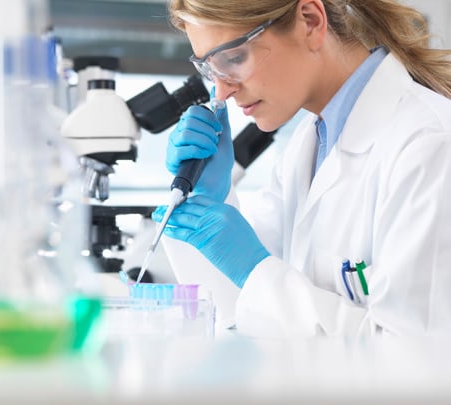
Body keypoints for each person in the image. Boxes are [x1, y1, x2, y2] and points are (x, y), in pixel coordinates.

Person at [152, 0, 451, 337]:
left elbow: (415, 361)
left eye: (233, 59)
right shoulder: (305, 149)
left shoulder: (430, 144)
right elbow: (243, 314)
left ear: (310, 21)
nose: (222, 89)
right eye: (210, 68)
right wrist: (213, 199)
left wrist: (255, 270)